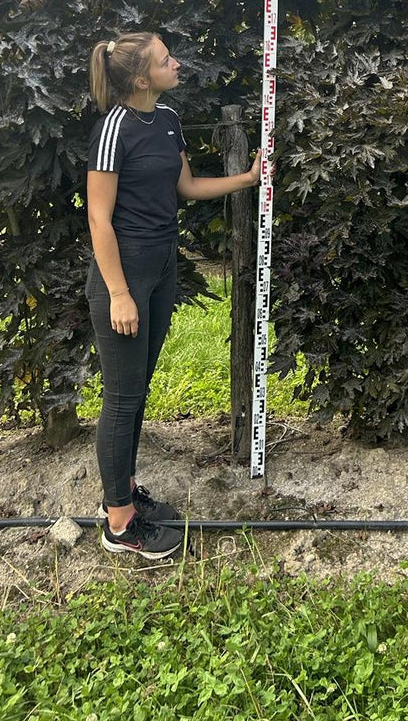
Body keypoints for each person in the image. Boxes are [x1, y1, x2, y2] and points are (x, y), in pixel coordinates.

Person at [86, 30, 260, 560]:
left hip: (162, 264)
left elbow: (184, 188)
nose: (176, 63)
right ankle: (119, 526)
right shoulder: (113, 128)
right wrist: (118, 292)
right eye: (166, 61)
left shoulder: (167, 120)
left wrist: (247, 179)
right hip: (126, 272)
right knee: (120, 398)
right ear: (142, 79)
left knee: (137, 389)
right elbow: (98, 217)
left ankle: (125, 493)